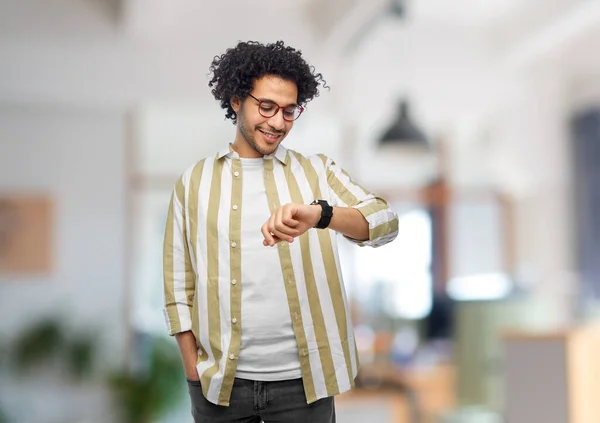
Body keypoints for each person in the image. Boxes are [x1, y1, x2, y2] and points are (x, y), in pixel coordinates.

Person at [163, 40, 399, 423]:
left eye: (290, 111)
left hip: (304, 388)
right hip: (219, 387)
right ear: (237, 100)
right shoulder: (194, 182)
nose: (277, 122)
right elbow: (177, 286)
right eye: (267, 106)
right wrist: (193, 369)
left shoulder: (317, 172)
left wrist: (320, 215)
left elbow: (385, 222)